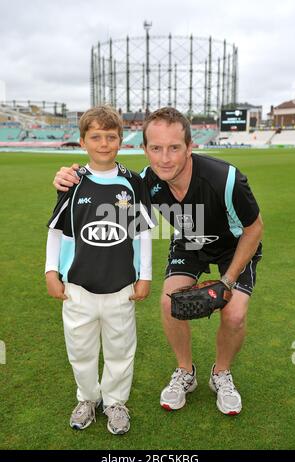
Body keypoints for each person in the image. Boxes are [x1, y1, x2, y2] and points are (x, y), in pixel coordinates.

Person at [53, 107, 263, 416]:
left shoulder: (225, 179)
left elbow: (254, 229)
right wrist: (68, 176)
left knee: (233, 314)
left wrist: (227, 281)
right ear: (144, 148)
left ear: (190, 147)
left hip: (234, 246)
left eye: (174, 148)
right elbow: (107, 189)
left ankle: (221, 374)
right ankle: (185, 372)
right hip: (191, 241)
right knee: (169, 303)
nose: (165, 158)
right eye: (156, 148)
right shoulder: (145, 183)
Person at [46, 105, 155, 435]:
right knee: (80, 349)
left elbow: (143, 232)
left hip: (121, 286)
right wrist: (51, 271)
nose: (104, 143)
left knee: (121, 350)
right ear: (83, 141)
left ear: (122, 140)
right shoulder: (73, 182)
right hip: (78, 287)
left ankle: (115, 402)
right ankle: (87, 398)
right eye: (96, 137)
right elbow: (57, 230)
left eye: (111, 136)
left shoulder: (133, 182)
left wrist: (145, 275)